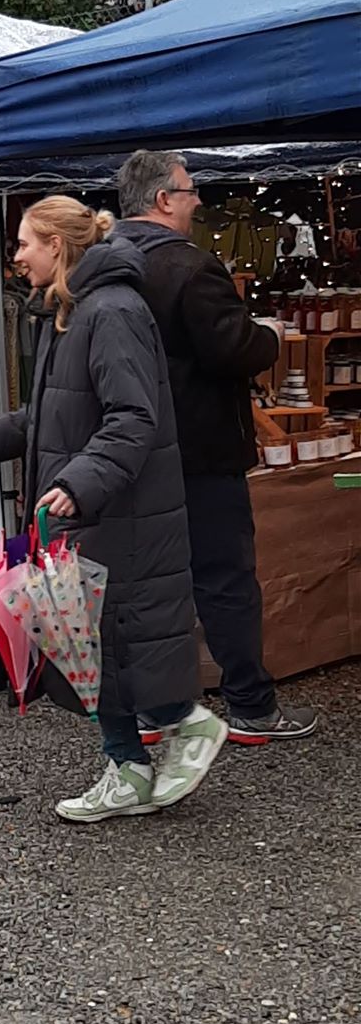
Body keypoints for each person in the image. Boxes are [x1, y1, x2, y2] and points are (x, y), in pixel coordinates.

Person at [0, 197, 227, 823]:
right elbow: (62, 410)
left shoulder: (110, 311)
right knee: (91, 648)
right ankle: (128, 770)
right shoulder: (75, 310)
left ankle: (185, 726)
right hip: (97, 515)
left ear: (56, 244)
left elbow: (132, 417)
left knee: (117, 644)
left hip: (118, 517)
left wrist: (81, 482)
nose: (17, 255)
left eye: (24, 242)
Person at [114, 150, 316, 745]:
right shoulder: (190, 266)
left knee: (151, 584)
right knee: (224, 580)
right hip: (200, 450)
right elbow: (231, 348)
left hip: (133, 450)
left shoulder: (105, 264)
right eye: (189, 189)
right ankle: (251, 707)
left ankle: (154, 710)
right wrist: (267, 335)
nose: (198, 200)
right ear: (163, 200)